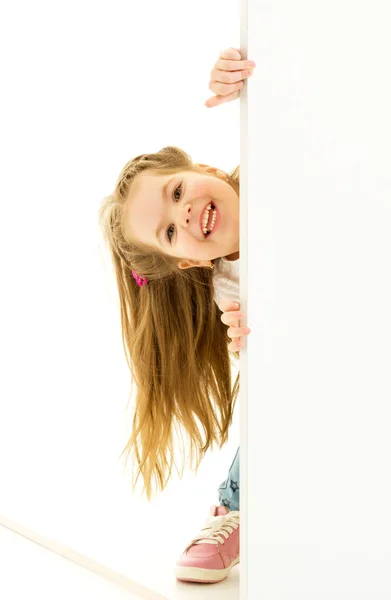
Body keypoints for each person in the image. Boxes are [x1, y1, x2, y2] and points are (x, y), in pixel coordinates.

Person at [98, 48, 255, 584]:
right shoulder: (230, 288)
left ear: (205, 170)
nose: (184, 212)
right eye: (169, 230)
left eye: (177, 191)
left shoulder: (274, 166)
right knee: (270, 397)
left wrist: (255, 80)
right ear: (189, 260)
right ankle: (240, 504)